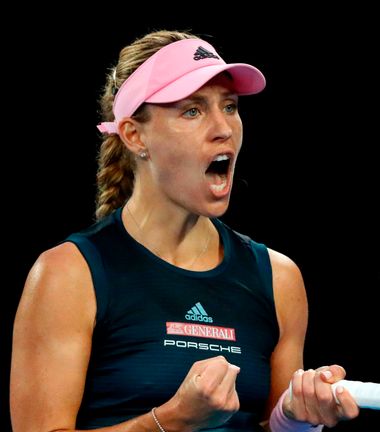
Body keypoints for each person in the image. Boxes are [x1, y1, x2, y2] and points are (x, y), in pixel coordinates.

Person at [10, 30, 359, 432]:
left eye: (229, 106)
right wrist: (171, 420)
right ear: (134, 135)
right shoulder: (68, 275)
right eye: (192, 111)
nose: (223, 128)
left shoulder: (279, 279)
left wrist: (294, 419)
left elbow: (271, 428)